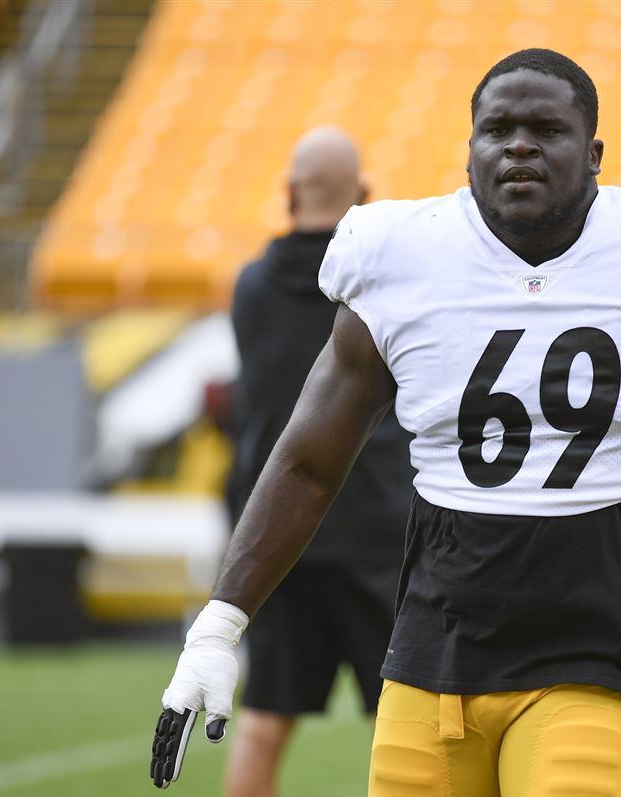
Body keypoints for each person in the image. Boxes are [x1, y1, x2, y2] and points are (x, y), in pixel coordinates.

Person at [150, 49, 621, 795]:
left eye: (547, 130)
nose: (519, 146)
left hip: (604, 632)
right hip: (438, 633)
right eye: (497, 130)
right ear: (468, 153)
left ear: (594, 153)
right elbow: (306, 461)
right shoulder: (398, 256)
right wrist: (219, 625)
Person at [221, 127, 416, 797]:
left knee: (263, 718)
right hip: (377, 530)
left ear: (288, 192)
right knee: (402, 721)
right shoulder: (381, 289)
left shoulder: (251, 288)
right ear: (363, 196)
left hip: (277, 534)